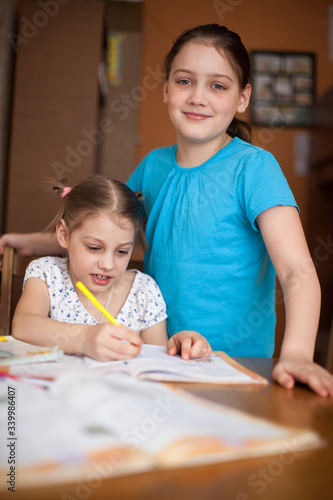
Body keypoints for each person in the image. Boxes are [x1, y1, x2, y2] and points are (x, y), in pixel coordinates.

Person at [1, 24, 332, 396]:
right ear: (166, 88)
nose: (198, 97)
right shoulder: (152, 167)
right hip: (155, 361)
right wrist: (30, 242)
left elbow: (297, 270)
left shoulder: (255, 169)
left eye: (218, 86)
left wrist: (299, 354)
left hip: (236, 368)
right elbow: (105, 232)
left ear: (243, 97)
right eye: (185, 81)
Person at [10, 175, 212, 361]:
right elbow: (23, 325)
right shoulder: (46, 275)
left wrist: (177, 347)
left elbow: (154, 360)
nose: (108, 264)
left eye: (122, 251)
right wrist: (85, 338)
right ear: (64, 234)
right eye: (94, 248)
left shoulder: (144, 291)